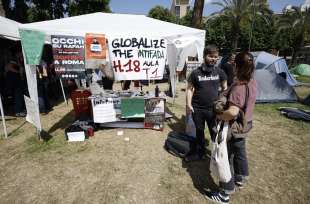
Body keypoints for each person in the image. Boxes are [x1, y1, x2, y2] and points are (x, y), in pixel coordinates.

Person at [205, 51, 257, 204]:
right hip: (246, 124)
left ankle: (225, 193)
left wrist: (220, 116)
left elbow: (232, 112)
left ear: (237, 65)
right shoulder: (252, 81)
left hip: (234, 127)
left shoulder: (239, 87)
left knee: (226, 157)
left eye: (234, 63)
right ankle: (241, 177)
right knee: (240, 151)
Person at [186, 44, 227, 161]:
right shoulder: (195, 73)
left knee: (214, 131)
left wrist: (222, 102)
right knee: (199, 131)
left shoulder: (220, 72)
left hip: (213, 109)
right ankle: (201, 153)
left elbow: (225, 88)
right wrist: (189, 104)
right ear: (205, 56)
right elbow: (189, 89)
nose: (213, 59)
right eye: (211, 56)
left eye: (216, 57)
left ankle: (217, 154)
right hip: (197, 108)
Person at [5, 49, 27, 117]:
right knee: (18, 96)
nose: (21, 54)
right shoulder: (13, 60)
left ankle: (20, 109)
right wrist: (19, 72)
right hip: (14, 82)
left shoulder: (18, 60)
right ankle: (18, 111)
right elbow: (7, 67)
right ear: (17, 53)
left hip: (18, 81)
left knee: (20, 96)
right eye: (20, 53)